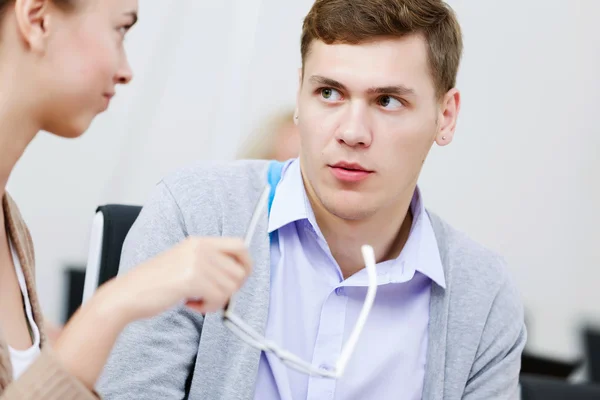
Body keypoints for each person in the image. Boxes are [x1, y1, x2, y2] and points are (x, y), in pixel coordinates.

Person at [99, 0, 527, 399]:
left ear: (445, 117)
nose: (352, 132)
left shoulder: (483, 293)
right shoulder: (196, 212)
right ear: (300, 96)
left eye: (388, 100)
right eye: (329, 93)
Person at [0, 0, 253, 398]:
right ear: (38, 19)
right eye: (120, 29)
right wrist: (113, 305)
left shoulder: (11, 228)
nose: (126, 70)